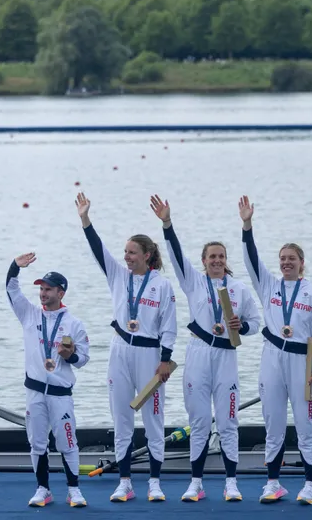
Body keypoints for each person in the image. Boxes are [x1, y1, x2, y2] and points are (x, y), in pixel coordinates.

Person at [150, 194, 262, 502]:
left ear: (227, 260)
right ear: (203, 261)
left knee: (227, 421)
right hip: (198, 353)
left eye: (221, 257)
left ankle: (231, 482)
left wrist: (243, 327)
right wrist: (167, 223)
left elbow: (256, 323)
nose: (216, 261)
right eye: (211, 257)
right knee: (199, 422)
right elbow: (174, 254)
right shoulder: (193, 282)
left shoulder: (240, 290)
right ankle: (196, 483)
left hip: (226, 356)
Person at [75, 192, 177, 502]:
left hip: (149, 355)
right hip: (120, 350)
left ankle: (155, 482)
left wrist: (166, 360)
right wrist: (85, 219)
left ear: (147, 255)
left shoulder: (162, 285)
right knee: (121, 418)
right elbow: (98, 250)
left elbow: (169, 327)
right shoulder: (118, 276)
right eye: (125, 252)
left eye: (132, 252)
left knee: (153, 419)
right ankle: (125, 482)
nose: (126, 257)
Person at [239, 195, 312, 505]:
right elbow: (251, 260)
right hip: (272, 358)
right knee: (273, 423)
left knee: (306, 424)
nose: (287, 263)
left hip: (303, 361)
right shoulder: (269, 286)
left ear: (302, 263)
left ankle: (309, 485)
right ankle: (273, 483)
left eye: (292, 259)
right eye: (283, 259)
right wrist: (247, 226)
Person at [6, 253, 90, 508]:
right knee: (37, 443)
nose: (42, 294)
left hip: (60, 393)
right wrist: (14, 267)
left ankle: (73, 490)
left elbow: (84, 359)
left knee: (67, 442)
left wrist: (70, 355)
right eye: (41, 289)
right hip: (34, 391)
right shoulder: (29, 314)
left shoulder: (74, 324)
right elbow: (11, 290)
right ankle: (43, 489)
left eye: (48, 289)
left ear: (61, 293)